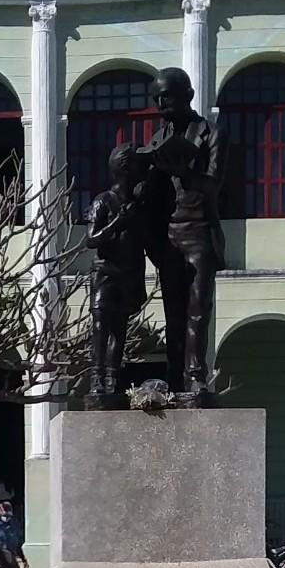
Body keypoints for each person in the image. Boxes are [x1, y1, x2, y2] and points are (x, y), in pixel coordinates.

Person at [136, 67, 225, 398]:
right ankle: (176, 376)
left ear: (187, 95)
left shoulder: (211, 133)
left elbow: (214, 185)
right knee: (173, 311)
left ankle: (195, 374)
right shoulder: (157, 139)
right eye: (157, 98)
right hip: (169, 233)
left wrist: (183, 171)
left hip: (199, 228)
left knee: (199, 308)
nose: (162, 104)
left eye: (168, 96)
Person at [85, 143, 146, 400]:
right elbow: (91, 239)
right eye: (133, 165)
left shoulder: (136, 204)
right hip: (105, 273)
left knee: (120, 328)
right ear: (123, 168)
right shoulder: (104, 201)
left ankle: (112, 379)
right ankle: (96, 377)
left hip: (127, 272)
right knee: (101, 324)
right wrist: (117, 222)